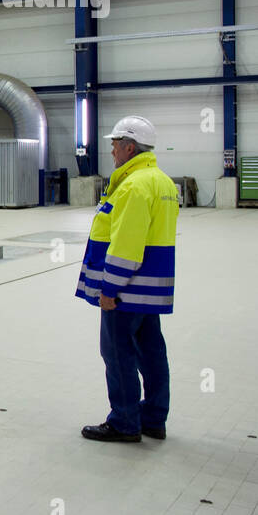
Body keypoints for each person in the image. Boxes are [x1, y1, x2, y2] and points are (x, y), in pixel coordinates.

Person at [75, 115, 179, 443]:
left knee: (118, 354)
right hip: (150, 290)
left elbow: (126, 246)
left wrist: (110, 289)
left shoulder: (134, 185)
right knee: (151, 352)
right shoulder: (160, 180)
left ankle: (124, 421)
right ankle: (153, 418)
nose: (112, 151)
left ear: (129, 147)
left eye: (115, 145)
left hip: (126, 292)